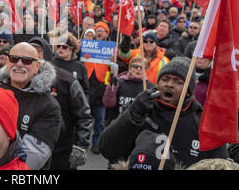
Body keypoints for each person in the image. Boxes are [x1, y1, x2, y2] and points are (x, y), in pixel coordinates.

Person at [98, 57, 228, 168]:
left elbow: (219, 164)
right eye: (165, 79)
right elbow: (107, 150)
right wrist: (132, 115)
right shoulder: (139, 107)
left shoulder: (204, 123)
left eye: (178, 82)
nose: (169, 85)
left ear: (188, 91)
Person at [0, 42, 62, 170]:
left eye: (27, 61)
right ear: (8, 63)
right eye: (14, 59)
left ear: (37, 67)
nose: (19, 64)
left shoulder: (49, 106)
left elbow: (33, 156)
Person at [28, 36, 92, 170]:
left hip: (60, 149)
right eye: (30, 50)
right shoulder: (17, 79)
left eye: (38, 51)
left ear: (45, 53)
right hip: (27, 149)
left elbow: (83, 114)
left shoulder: (66, 79)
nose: (34, 54)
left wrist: (80, 145)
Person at [83, 21, 113, 154]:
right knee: (84, 118)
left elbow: (115, 69)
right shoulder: (89, 46)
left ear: (107, 33)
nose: (100, 32)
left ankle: (96, 143)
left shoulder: (112, 49)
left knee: (100, 120)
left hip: (102, 89)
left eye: (102, 30)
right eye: (98, 30)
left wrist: (114, 62)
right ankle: (82, 142)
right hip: (88, 87)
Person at [103, 55, 154, 126]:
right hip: (117, 125)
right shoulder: (119, 82)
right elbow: (108, 103)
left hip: (138, 128)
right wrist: (111, 87)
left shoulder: (150, 87)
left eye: (142, 67)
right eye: (135, 66)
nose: (139, 69)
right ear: (130, 68)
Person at [52, 32, 90, 100]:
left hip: (73, 104)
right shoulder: (51, 63)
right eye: (58, 46)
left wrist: (83, 104)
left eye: (64, 47)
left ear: (71, 49)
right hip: (54, 103)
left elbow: (85, 90)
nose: (60, 48)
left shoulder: (80, 67)